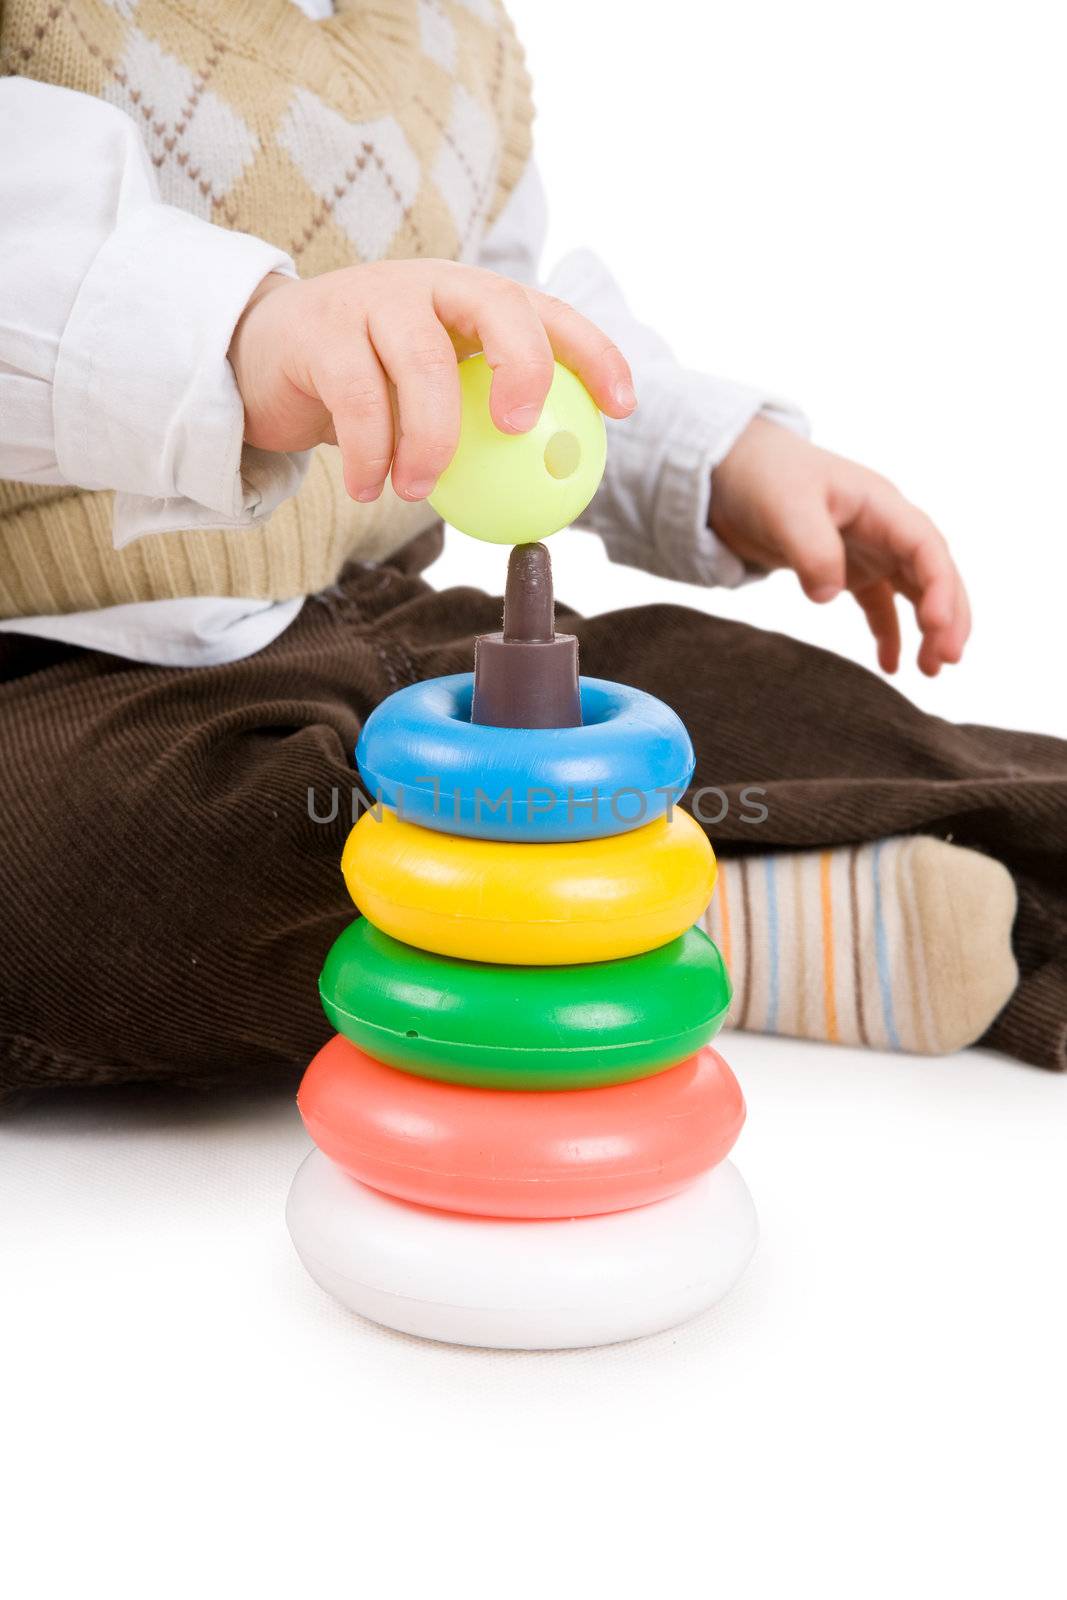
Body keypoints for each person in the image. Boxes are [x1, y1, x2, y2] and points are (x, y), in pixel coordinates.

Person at [0, 1, 1061, 1101]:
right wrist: (241, 333)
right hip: (61, 659)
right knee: (104, 860)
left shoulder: (455, 40)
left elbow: (515, 335)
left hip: (388, 624)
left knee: (759, 708)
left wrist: (714, 456)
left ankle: (990, 872)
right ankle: (689, 928)